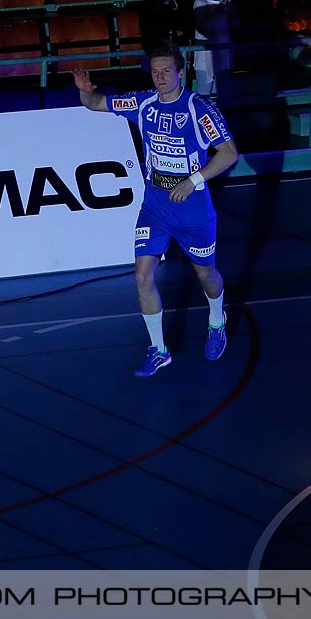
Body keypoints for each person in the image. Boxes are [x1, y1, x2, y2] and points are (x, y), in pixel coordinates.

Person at [73, 48, 239, 376]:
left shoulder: (199, 109)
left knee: (206, 274)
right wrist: (84, 90)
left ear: (181, 72)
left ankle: (217, 319)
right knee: (142, 275)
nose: (160, 78)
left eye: (166, 71)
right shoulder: (143, 104)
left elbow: (229, 153)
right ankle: (158, 349)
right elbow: (95, 104)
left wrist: (193, 181)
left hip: (192, 209)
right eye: (155, 72)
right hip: (155, 206)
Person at [191, 0, 238, 95]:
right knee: (205, 95)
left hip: (223, 54)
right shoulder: (199, 2)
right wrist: (219, 11)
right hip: (206, 57)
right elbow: (203, 28)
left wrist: (231, 13)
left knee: (222, 95)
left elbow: (235, 23)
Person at [139, 0, 193, 65]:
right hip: (154, 57)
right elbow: (147, 33)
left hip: (176, 57)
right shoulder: (146, 6)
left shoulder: (181, 6)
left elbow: (186, 29)